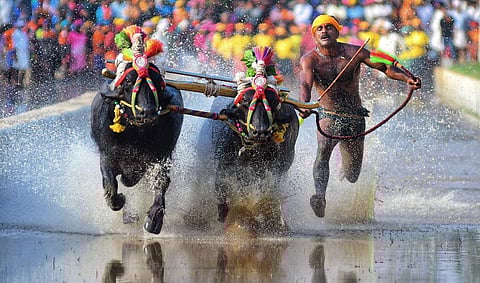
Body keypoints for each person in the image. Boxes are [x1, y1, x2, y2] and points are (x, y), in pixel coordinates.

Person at [298, 15, 421, 218]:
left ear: (337, 32)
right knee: (323, 151)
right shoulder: (309, 59)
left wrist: (407, 78)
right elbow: (305, 86)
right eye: (319, 28)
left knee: (352, 175)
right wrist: (304, 104)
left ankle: (341, 178)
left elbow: (385, 67)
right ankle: (320, 196)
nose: (324, 31)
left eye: (329, 27)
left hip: (355, 117)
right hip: (329, 115)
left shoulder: (354, 53)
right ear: (314, 34)